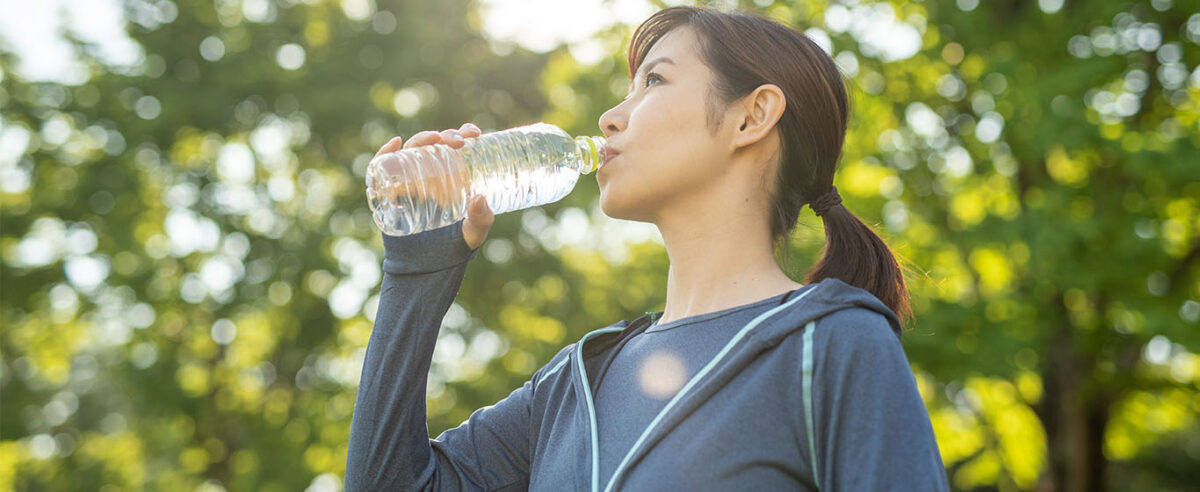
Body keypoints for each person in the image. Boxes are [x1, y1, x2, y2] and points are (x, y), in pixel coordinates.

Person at [345, 6, 949, 491]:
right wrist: (416, 268)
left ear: (752, 117)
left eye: (653, 80)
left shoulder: (833, 344)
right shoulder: (574, 383)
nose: (611, 116)